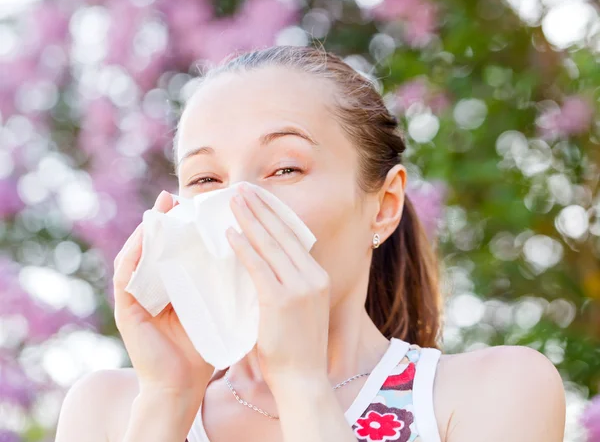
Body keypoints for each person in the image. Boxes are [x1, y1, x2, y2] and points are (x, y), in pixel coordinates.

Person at [55, 45, 566, 442]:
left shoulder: (490, 391)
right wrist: (168, 397)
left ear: (384, 205)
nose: (237, 204)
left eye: (284, 168)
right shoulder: (108, 409)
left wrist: (301, 384)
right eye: (206, 180)